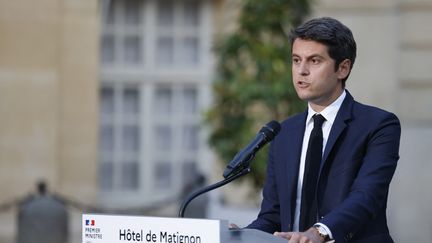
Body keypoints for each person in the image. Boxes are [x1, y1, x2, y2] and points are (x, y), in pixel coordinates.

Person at [245, 17, 401, 243]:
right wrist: (239, 235)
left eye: (314, 61)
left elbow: (366, 196)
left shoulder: (379, 125)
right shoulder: (283, 132)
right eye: (296, 60)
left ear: (343, 68)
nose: (301, 71)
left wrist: (318, 232)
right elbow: (272, 216)